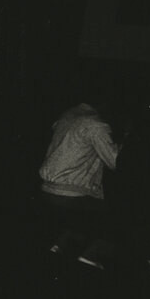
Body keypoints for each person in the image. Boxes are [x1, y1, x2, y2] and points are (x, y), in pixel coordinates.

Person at [39, 100, 120, 262]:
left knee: (82, 222)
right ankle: (89, 259)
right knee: (118, 224)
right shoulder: (95, 125)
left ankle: (60, 246)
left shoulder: (69, 114)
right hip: (71, 193)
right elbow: (116, 162)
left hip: (48, 189)